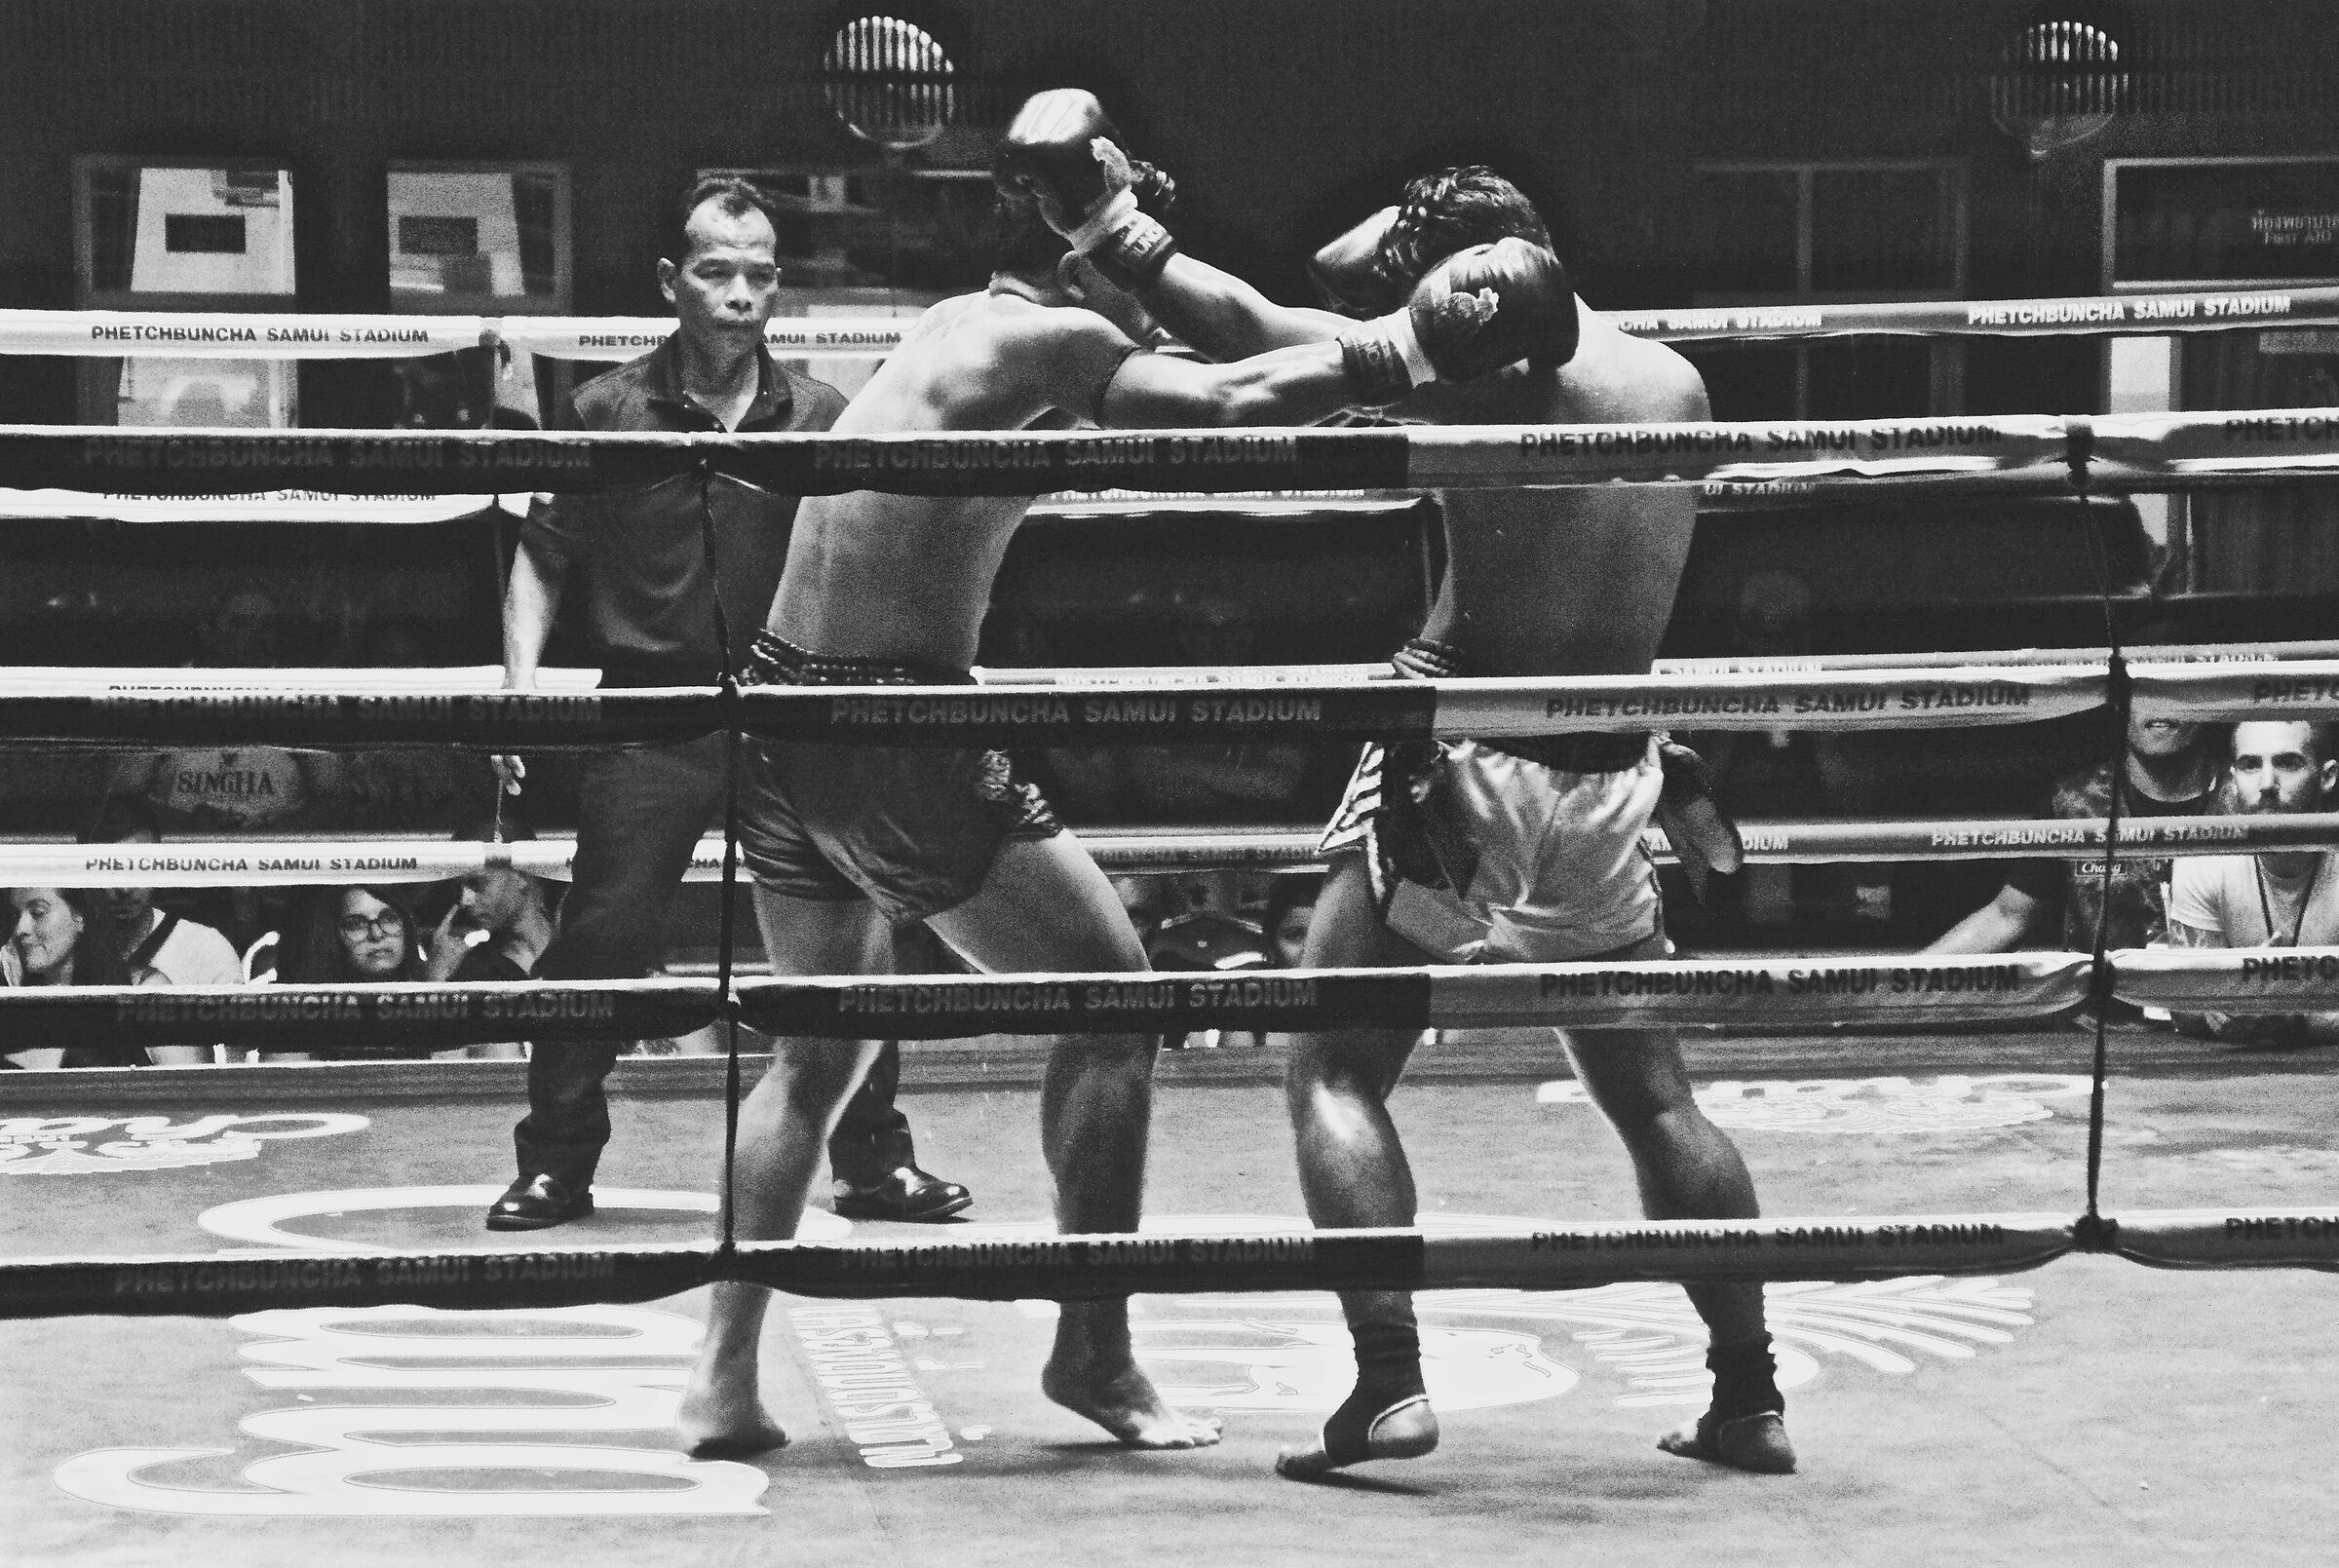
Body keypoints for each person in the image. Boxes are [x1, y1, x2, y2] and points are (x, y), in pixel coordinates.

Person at [673, 109, 1577, 1459]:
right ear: (1080, 252)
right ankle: (1092, 1352)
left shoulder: (954, 327)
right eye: (1125, 260)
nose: (1143, 293)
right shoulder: (1058, 337)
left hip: (781, 705)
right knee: (1119, 1008)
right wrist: (1411, 346)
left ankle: (723, 1381)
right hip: (885, 730)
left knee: (814, 1051)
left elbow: (1212, 347)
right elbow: (1225, 400)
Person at [1012, 114, 1783, 1476]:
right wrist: (1439, 249)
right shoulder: (1675, 383)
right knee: (1653, 1094)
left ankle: (1387, 1385)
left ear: (1467, 291)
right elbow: (1344, 275)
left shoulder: (1486, 387)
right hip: (1613, 775)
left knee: (1332, 1064)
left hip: (1463, 767)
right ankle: (1749, 1394)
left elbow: (1260, 332)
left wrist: (1109, 221)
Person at [488, 175, 965, 1232]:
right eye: (717, 270)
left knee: (847, 940)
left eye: (758, 273)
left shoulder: (823, 416)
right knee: (600, 941)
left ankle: (874, 1164)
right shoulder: (605, 411)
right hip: (651, 715)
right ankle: (557, 1163)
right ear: (672, 280)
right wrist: (518, 693)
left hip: (794, 713)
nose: (740, 292)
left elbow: (878, 556)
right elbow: (541, 559)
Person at [1928, 708, 2223, 960]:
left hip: (2225, 1017)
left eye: (2172, 690)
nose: (2159, 708)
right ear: (2121, 704)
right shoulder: (2075, 804)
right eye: (2146, 690)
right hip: (2102, 1020)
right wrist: (1895, 981)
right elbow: (2008, 916)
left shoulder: (2243, 797)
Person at [2166, 720, 2339, 1044]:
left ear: (2327, 777)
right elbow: (2183, 1005)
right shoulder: (2203, 860)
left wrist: (2292, 1019)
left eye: (2288, 763)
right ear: (2233, 779)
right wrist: (2224, 1010)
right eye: (2250, 765)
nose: (2267, 783)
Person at [78, 799, 243, 1065]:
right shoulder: (61, 946)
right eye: (109, 868)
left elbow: (234, 1068)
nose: (124, 888)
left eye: (139, 866)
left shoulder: (207, 949)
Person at [4, 886, 152, 1069]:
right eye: (16, 916)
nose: (20, 929)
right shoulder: (12, 1011)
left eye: (38, 912)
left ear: (80, 917)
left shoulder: (142, 990)